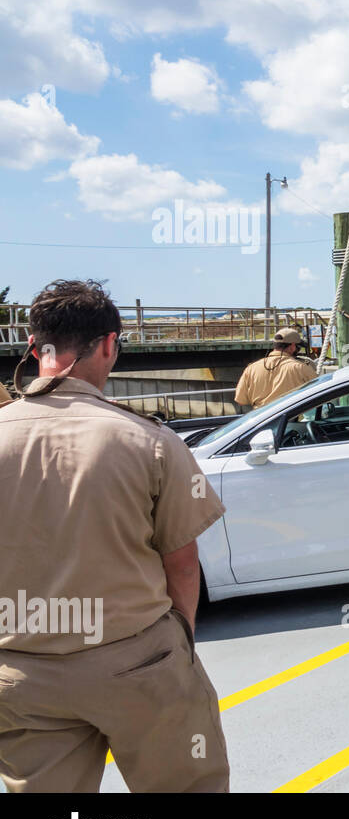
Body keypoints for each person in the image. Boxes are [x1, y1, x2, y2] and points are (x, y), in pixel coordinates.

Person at [0, 279, 230, 792]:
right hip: (138, 661)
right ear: (108, 345)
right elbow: (182, 564)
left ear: (35, 350)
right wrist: (180, 642)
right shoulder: (149, 441)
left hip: (21, 673)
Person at [234, 327, 317, 409]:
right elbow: (318, 393)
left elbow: (240, 400)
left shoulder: (251, 368)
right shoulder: (301, 367)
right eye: (298, 348)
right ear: (292, 346)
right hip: (290, 417)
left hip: (261, 418)